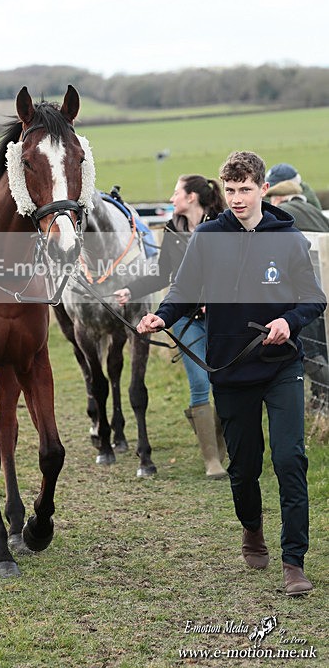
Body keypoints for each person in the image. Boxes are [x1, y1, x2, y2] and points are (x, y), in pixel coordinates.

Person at [137, 151, 326, 596]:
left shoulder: (289, 236)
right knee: (244, 468)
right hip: (231, 368)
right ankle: (252, 529)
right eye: (231, 190)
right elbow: (183, 292)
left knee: (289, 460)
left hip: (282, 366)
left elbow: (313, 299)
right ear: (222, 190)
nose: (238, 198)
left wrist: (288, 321)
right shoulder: (206, 237)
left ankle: (293, 562)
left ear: (263, 189)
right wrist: (162, 316)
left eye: (245, 189)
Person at [115, 175, 228, 479]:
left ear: (192, 197)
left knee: (224, 382)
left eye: (177, 192)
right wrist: (131, 290)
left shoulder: (223, 225)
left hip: (224, 319)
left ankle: (222, 447)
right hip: (186, 320)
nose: (172, 196)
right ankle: (212, 461)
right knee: (200, 383)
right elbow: (164, 275)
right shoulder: (172, 230)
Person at [265, 180, 329, 408]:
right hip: (322, 285)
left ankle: (326, 398)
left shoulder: (285, 213)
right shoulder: (314, 211)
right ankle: (319, 399)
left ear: (278, 199)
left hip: (306, 290)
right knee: (321, 346)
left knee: (309, 349)